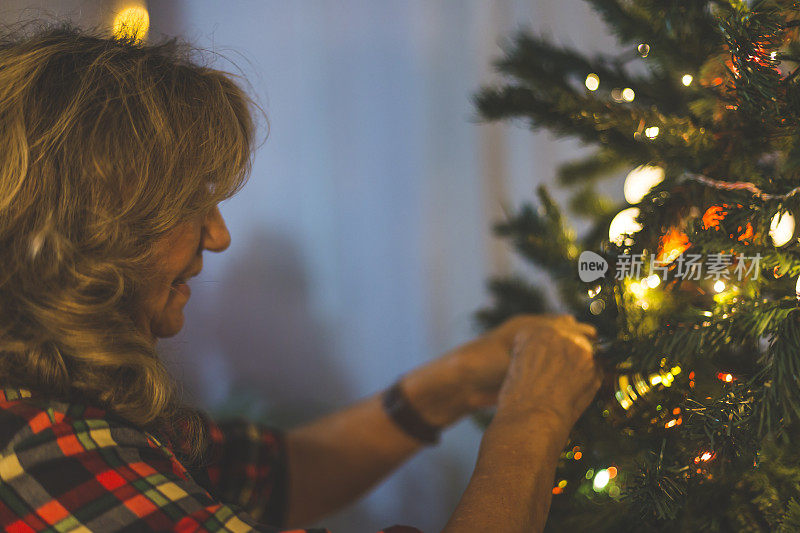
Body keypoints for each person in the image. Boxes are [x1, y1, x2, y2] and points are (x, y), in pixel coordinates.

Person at [0, 25, 602, 533]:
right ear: (97, 224)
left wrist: (455, 384)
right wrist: (536, 419)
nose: (218, 236)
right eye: (192, 204)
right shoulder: (47, 456)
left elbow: (275, 477)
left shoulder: (64, 401)